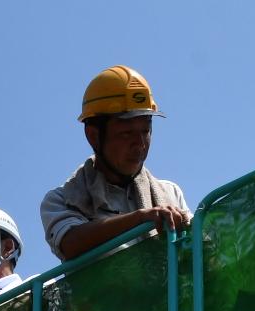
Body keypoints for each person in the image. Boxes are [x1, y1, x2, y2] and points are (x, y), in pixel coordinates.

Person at [40, 65, 190, 262]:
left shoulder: (170, 193)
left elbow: (199, 249)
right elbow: (70, 243)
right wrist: (140, 218)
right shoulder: (61, 200)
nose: (140, 144)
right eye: (126, 133)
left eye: (145, 131)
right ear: (93, 136)